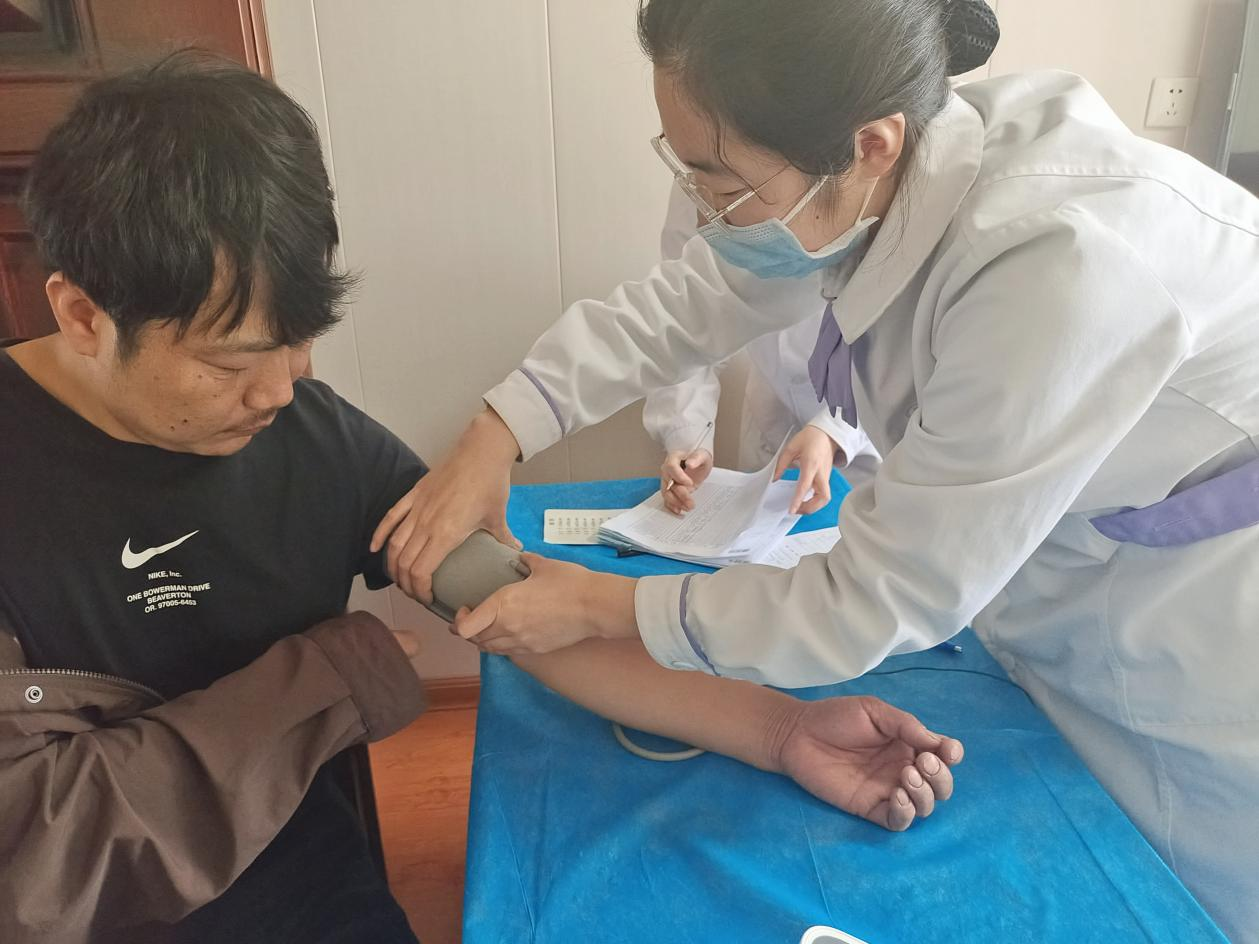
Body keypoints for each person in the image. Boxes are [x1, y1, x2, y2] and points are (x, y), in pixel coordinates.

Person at [0, 53, 963, 944]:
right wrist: (326, 681)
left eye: (299, 344)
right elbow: (35, 851)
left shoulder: (305, 436)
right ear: (83, 314)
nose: (280, 391)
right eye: (230, 363)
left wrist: (782, 730)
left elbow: (518, 609)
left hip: (302, 884)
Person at [374, 1, 1259, 939]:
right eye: (685, 168)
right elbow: (683, 306)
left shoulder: (1066, 261)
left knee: (1187, 887)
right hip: (1066, 561)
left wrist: (599, 604)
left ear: (870, 146)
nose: (702, 211)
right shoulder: (877, 184)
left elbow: (874, 597)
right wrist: (495, 432)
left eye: (718, 180)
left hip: (1201, 621)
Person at [645, 184, 878, 517]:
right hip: (772, 423)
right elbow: (688, 321)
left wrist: (835, 430)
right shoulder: (697, 175)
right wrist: (687, 436)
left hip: (870, 444)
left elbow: (895, 346)